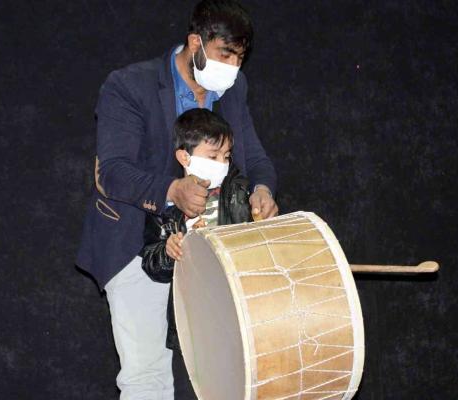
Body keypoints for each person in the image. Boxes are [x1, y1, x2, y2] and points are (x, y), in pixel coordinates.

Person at [76, 1, 278, 398]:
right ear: (195, 42)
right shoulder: (129, 85)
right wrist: (172, 191)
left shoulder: (233, 88)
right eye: (225, 54)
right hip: (136, 241)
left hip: (210, 250)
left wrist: (263, 190)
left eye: (239, 58)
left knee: (221, 372)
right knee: (147, 375)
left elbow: (254, 158)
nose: (233, 67)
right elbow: (111, 172)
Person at [141, 108, 252, 352]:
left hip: (240, 309)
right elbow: (151, 262)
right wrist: (168, 252)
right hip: (193, 316)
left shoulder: (241, 193)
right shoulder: (165, 206)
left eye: (226, 156)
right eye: (213, 156)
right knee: (194, 373)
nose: (222, 164)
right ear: (184, 157)